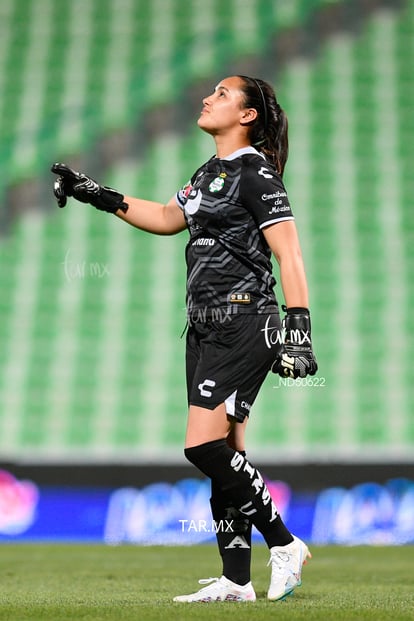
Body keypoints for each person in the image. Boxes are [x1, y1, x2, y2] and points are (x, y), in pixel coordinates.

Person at [51, 75, 317, 603]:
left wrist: (299, 332)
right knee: (227, 451)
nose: (207, 98)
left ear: (247, 116)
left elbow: (289, 254)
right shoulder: (208, 173)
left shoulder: (258, 175)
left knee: (201, 447)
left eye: (221, 94)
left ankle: (285, 543)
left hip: (245, 319)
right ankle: (237, 580)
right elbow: (170, 217)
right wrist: (93, 193)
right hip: (203, 324)